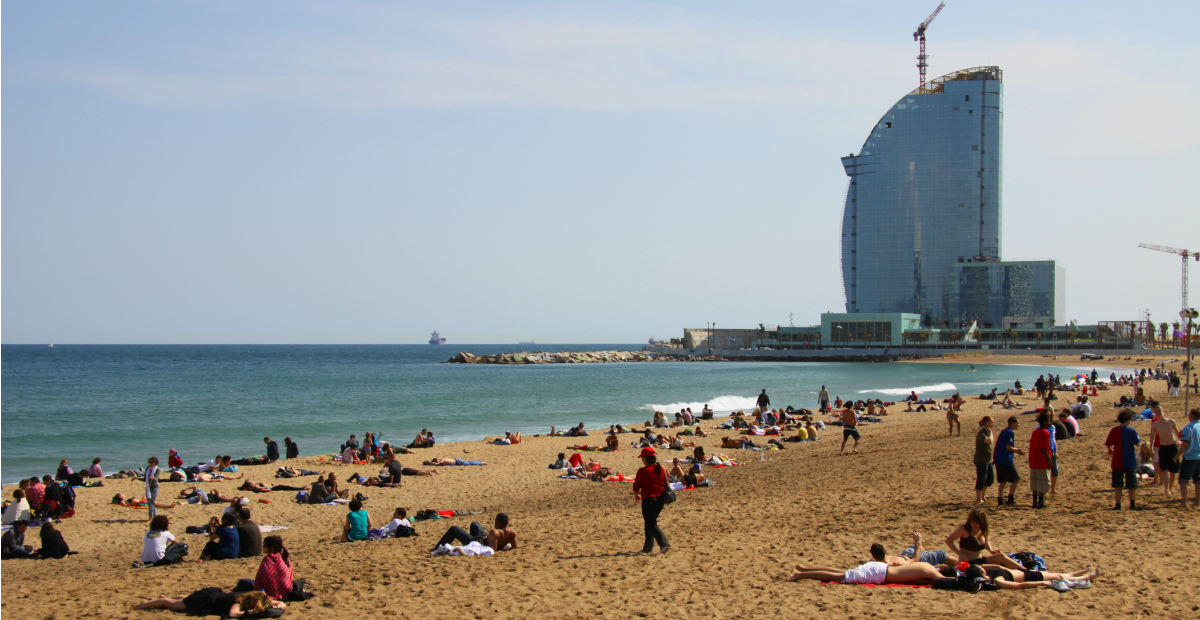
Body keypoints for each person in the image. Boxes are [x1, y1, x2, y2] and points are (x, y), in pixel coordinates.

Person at [787, 543, 943, 584]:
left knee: (841, 572)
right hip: (879, 572)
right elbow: (915, 562)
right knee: (839, 575)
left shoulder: (924, 570)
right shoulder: (926, 571)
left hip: (880, 570)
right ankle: (800, 574)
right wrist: (918, 543)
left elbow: (916, 564)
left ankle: (804, 570)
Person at [943, 507, 1026, 570]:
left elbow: (986, 540)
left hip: (980, 559)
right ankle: (1020, 573)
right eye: (972, 522)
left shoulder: (981, 531)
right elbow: (948, 541)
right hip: (970, 563)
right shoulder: (964, 530)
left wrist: (990, 550)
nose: (974, 525)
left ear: (982, 523)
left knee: (1002, 556)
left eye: (976, 523)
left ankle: (1025, 571)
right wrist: (960, 554)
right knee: (999, 568)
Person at [133, 589, 283, 617]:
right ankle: (143, 604)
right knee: (169, 603)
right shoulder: (239, 601)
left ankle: (167, 597)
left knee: (187, 598)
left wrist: (275, 606)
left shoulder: (256, 595)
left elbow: (282, 604)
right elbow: (233, 614)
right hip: (207, 600)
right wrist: (250, 612)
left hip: (211, 593)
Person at [631, 446, 670, 554]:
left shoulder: (643, 470)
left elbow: (636, 486)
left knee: (651, 524)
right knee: (649, 523)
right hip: (660, 500)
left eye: (642, 457)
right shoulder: (662, 468)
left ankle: (664, 543)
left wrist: (636, 495)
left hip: (649, 500)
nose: (641, 460)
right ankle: (647, 548)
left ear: (646, 458)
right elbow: (666, 483)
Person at [1105, 409, 1142, 510]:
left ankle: (1118, 505)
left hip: (1117, 461)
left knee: (1118, 485)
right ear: (1128, 420)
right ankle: (1132, 504)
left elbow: (1108, 443)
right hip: (1129, 461)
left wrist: (1110, 449)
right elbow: (1137, 443)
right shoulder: (1131, 431)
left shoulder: (1114, 430)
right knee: (1132, 485)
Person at [431, 512, 517, 552]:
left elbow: (492, 549)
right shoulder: (512, 532)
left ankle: (437, 548)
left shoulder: (494, 532)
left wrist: (485, 541)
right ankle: (469, 541)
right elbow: (514, 547)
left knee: (454, 529)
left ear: (497, 522)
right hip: (484, 537)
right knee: (475, 524)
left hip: (477, 542)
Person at [1150, 409, 1181, 497]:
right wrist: (1151, 449)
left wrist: (1179, 442)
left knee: (1173, 470)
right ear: (1155, 413)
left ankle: (1170, 489)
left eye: (1159, 410)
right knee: (1164, 469)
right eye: (1156, 411)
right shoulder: (1155, 424)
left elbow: (1178, 433)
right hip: (1162, 447)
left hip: (1172, 446)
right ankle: (1166, 489)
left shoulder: (1171, 421)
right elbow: (1152, 437)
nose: (1158, 412)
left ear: (1163, 411)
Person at [1175, 408, 1200, 509]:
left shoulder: (1188, 427)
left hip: (1190, 457)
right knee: (1198, 480)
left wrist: (1177, 455)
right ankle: (1197, 501)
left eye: (1189, 414)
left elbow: (1185, 443)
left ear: (1192, 416)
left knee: (1183, 480)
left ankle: (1184, 502)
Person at [254, 535, 293, 599]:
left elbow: (261, 578)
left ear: (271, 548)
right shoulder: (283, 557)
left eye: (264, 545)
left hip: (271, 592)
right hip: (285, 591)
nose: (263, 547)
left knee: (243, 582)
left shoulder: (268, 559)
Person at [1027, 413, 1053, 509]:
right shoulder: (1044, 432)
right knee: (1043, 481)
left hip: (1034, 460)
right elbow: (1043, 448)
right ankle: (1040, 503)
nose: (1049, 423)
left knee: (1035, 481)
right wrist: (1049, 459)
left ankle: (1034, 502)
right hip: (1041, 461)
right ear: (1044, 422)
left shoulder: (1035, 432)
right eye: (1048, 421)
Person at [974, 416, 995, 504]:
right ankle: (979, 498)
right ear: (985, 422)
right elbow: (989, 441)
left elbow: (991, 443)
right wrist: (990, 433)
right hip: (981, 460)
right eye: (990, 422)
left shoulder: (988, 432)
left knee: (990, 478)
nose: (992, 424)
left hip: (988, 459)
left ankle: (983, 494)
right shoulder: (981, 433)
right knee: (981, 479)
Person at [144, 456, 161, 521]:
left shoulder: (157, 469)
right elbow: (145, 479)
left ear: (155, 463)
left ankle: (150, 517)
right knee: (150, 503)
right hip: (148, 487)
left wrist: (153, 478)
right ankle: (156, 516)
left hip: (155, 487)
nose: (150, 464)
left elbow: (156, 478)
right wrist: (136, 478)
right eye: (149, 462)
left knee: (151, 502)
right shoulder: (147, 469)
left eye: (152, 462)